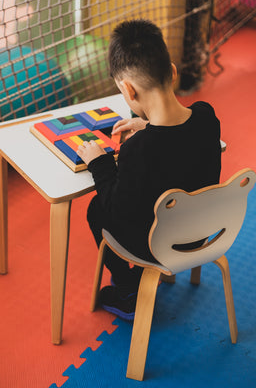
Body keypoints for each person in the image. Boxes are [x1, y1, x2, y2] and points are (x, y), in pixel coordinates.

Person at [77, 19, 221, 320]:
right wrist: (147, 126)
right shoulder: (207, 117)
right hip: (201, 234)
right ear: (171, 71)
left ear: (128, 90)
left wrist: (99, 162)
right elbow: (179, 142)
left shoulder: (139, 149)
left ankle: (129, 287)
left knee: (95, 209)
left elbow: (116, 208)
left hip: (157, 246)